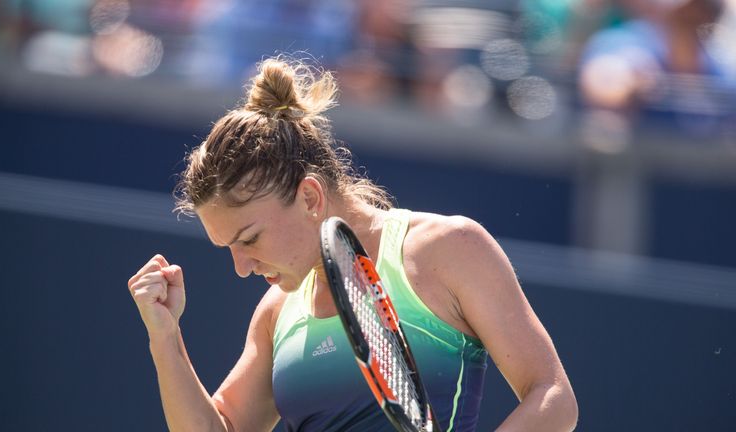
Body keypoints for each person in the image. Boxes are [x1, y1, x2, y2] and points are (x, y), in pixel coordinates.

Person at [127, 56, 578, 431]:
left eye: (250, 238)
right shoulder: (276, 312)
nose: (242, 266)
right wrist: (165, 339)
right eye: (228, 248)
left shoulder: (447, 249)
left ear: (309, 197)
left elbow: (552, 397)